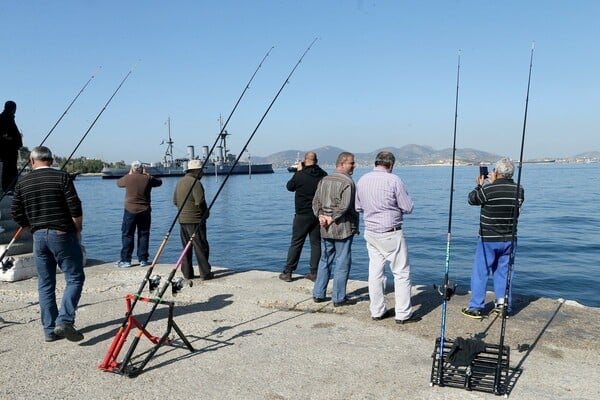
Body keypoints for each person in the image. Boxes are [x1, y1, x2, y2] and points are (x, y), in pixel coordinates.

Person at [11, 146, 85, 342]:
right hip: (62, 234)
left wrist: (30, 228)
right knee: (75, 277)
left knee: (45, 283)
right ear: (51, 160)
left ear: (31, 161)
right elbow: (75, 207)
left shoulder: (23, 182)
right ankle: (65, 320)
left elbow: (15, 211)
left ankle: (49, 330)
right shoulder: (62, 177)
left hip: (38, 236)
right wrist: (77, 229)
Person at [355, 151, 420, 324]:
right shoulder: (394, 180)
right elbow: (407, 207)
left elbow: (358, 207)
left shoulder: (362, 180)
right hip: (391, 233)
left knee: (375, 272)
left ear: (376, 162)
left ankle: (377, 311)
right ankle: (403, 313)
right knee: (401, 273)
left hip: (371, 232)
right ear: (390, 165)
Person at [461, 158, 524, 319]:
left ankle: (476, 306)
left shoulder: (488, 190)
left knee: (480, 272)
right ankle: (503, 306)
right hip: (509, 238)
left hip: (488, 239)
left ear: (496, 172)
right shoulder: (519, 190)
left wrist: (480, 184)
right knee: (504, 272)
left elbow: (472, 199)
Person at [312, 151, 359, 307]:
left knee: (325, 259)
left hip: (325, 228)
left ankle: (318, 293)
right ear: (342, 163)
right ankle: (338, 297)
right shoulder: (348, 182)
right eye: (351, 163)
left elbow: (315, 202)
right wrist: (333, 217)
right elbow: (345, 206)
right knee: (342, 262)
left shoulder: (323, 180)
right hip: (343, 228)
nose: (354, 165)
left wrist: (320, 216)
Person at [279, 151, 327, 283]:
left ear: (305, 160)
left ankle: (288, 272)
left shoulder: (300, 175)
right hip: (318, 214)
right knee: (316, 243)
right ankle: (314, 272)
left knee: (296, 242)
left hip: (302, 214)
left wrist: (298, 171)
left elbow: (290, 187)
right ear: (316, 161)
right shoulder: (323, 175)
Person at [115, 161, 162, 268]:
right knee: (144, 234)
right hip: (145, 210)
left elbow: (118, 183)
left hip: (129, 210)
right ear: (142, 169)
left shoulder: (127, 178)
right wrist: (147, 175)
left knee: (127, 234)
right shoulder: (148, 179)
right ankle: (143, 259)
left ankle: (126, 260)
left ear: (132, 169)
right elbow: (159, 182)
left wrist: (129, 174)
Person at [173, 159, 212, 281]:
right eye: (201, 171)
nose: (203, 173)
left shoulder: (180, 182)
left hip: (182, 220)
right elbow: (199, 201)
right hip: (195, 220)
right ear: (197, 171)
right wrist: (205, 213)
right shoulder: (195, 183)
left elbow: (174, 201)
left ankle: (187, 273)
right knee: (201, 246)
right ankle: (205, 273)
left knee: (186, 247)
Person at [0, 100, 23, 194]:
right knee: (10, 169)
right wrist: (13, 139)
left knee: (10, 169)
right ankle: (9, 188)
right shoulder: (6, 118)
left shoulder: (7, 117)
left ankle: (9, 187)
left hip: (9, 149)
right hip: (8, 150)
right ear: (13, 109)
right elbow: (3, 135)